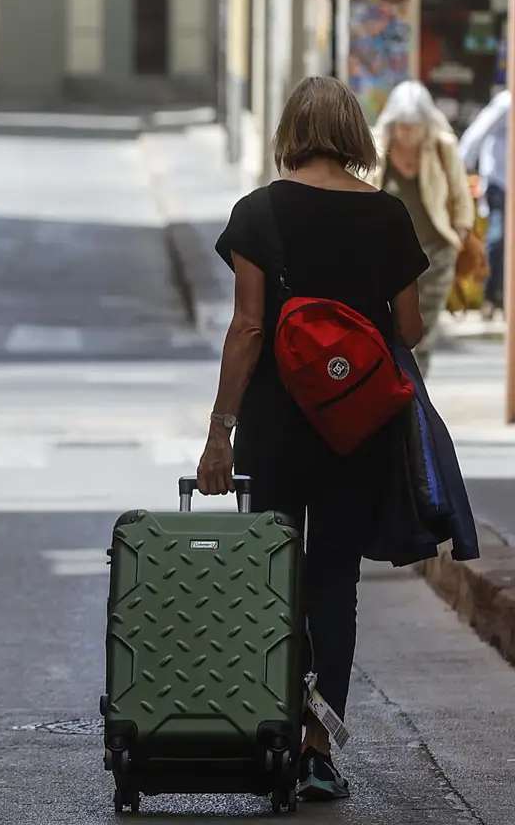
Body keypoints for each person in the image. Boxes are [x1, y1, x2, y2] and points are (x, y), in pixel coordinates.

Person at [197, 76, 428, 803]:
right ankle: (320, 748)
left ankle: (273, 729)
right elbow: (412, 329)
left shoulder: (258, 212)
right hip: (356, 428)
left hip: (275, 426)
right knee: (335, 583)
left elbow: (248, 328)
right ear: (355, 133)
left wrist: (219, 433)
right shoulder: (388, 215)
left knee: (275, 577)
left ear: (290, 130)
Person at [365, 80, 475, 373]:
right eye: (401, 126)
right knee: (387, 328)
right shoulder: (378, 148)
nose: (407, 133)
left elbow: (460, 196)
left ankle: (417, 392)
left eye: (414, 126)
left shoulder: (441, 147)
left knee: (423, 331)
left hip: (434, 255)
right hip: (387, 258)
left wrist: (459, 236)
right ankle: (393, 386)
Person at [458, 87, 510, 320]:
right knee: (498, 240)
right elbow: (478, 131)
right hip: (501, 182)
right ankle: (490, 297)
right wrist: (460, 166)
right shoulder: (506, 103)